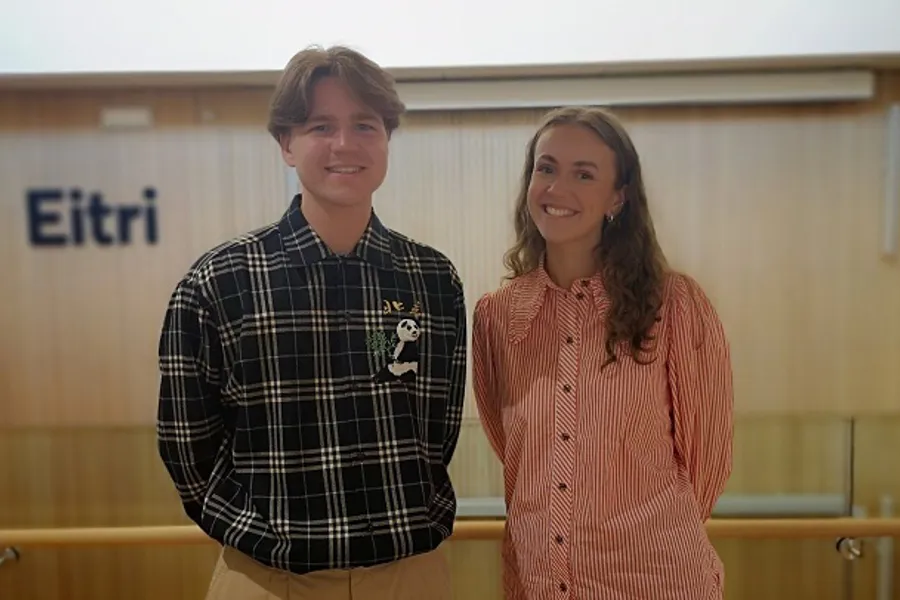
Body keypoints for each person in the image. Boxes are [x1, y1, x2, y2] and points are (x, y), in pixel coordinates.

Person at [156, 45, 467, 600]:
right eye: (321, 126)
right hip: (266, 578)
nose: (345, 144)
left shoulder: (431, 279)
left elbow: (435, 429)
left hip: (410, 574)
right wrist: (262, 536)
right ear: (286, 144)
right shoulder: (219, 281)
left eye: (365, 125)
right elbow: (187, 446)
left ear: (387, 140)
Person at [472, 106, 734, 599]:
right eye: (545, 168)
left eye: (584, 174)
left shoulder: (673, 305)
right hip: (539, 582)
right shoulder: (498, 316)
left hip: (655, 579)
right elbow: (515, 451)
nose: (556, 188)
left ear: (618, 197)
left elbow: (708, 459)